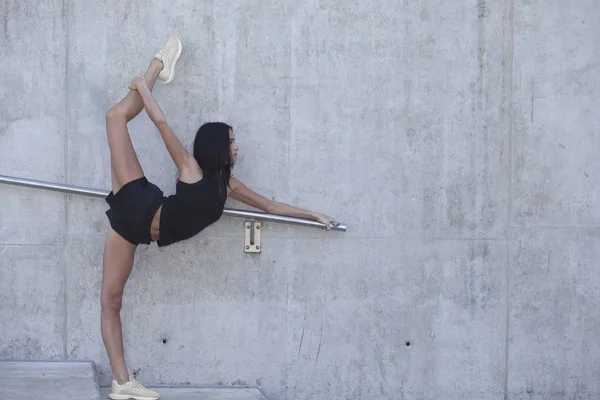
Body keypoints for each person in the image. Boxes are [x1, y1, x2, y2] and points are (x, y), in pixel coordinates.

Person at [101, 36, 336, 400]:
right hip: (138, 203)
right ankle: (157, 65)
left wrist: (313, 213)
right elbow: (159, 121)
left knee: (113, 301)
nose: (237, 146)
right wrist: (143, 88)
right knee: (115, 117)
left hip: (136, 232)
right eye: (232, 140)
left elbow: (270, 207)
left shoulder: (227, 186)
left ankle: (121, 384)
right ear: (217, 147)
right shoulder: (190, 168)